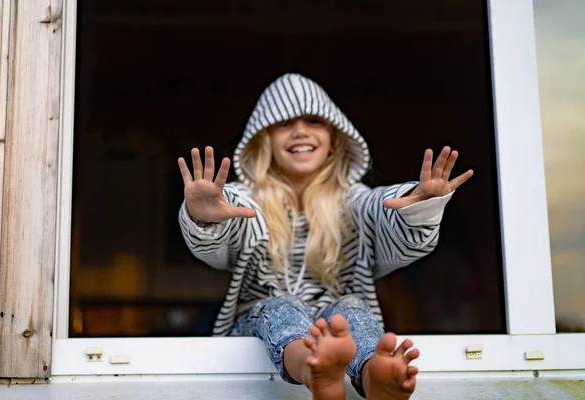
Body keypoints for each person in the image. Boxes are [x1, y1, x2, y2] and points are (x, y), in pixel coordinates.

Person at [177, 73, 473, 400]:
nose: (300, 130)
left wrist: (419, 203)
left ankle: (373, 376)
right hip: (259, 321)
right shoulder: (247, 201)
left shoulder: (351, 200)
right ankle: (312, 368)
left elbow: (380, 207)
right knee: (280, 308)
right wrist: (204, 217)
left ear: (334, 139)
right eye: (284, 123)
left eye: (314, 121)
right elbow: (225, 224)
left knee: (351, 312)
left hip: (336, 319)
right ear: (264, 140)